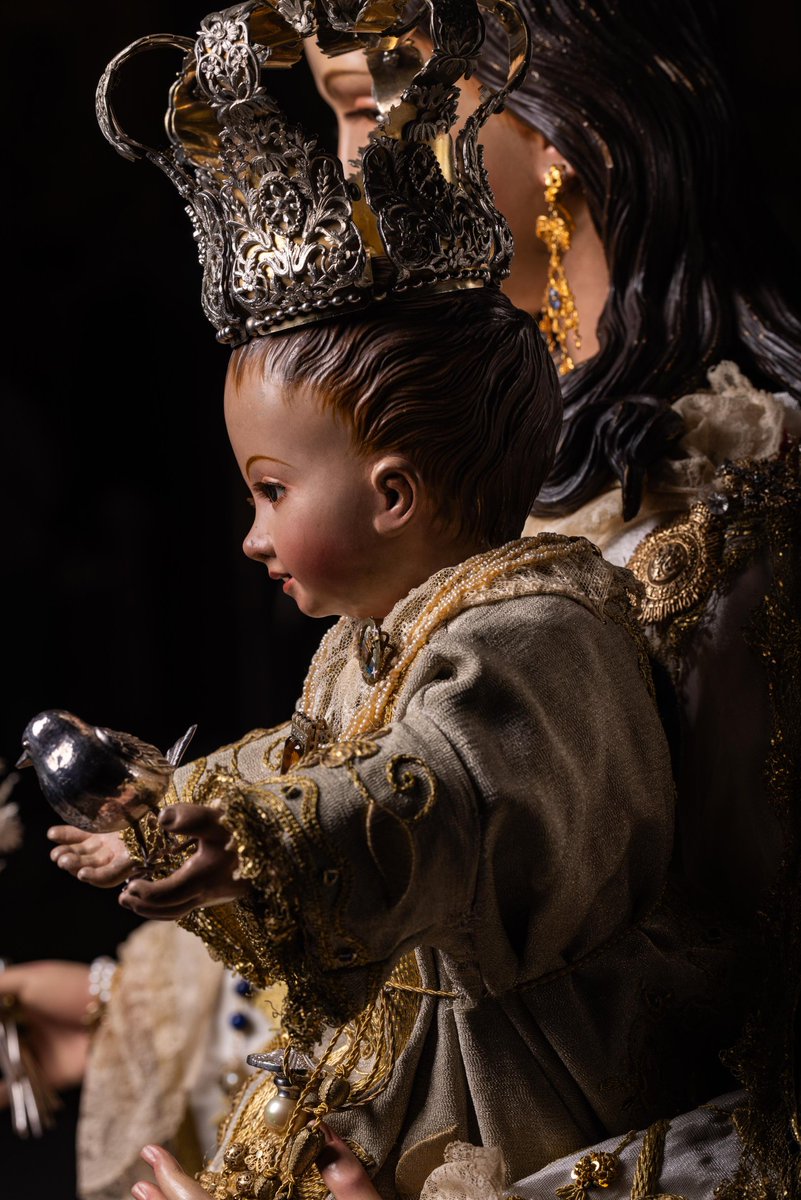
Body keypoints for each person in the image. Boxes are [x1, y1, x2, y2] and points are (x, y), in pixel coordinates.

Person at [37, 3, 755, 1197]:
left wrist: (249, 830)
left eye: (374, 107)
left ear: (565, 126)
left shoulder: (721, 516)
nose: (351, 164)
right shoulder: (391, 597)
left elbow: (432, 809)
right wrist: (130, 964)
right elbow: (345, 834)